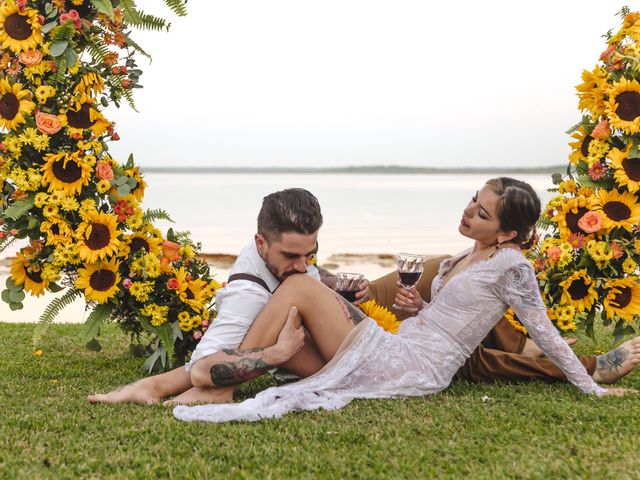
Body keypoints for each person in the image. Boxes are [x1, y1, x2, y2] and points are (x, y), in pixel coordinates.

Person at [173, 178, 638, 423]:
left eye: (481, 212)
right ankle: (222, 378)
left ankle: (222, 381)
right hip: (405, 340)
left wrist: (591, 385)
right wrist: (419, 308)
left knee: (297, 288)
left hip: (419, 365)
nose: (468, 212)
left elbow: (546, 333)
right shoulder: (468, 253)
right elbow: (448, 316)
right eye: (471, 200)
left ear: (509, 232)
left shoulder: (513, 267)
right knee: (300, 304)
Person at [88, 188, 367, 405]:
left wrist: (330, 285)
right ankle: (163, 387)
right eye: (292, 256)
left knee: (402, 284)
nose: (303, 265)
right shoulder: (248, 294)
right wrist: (277, 352)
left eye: (310, 253)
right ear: (261, 242)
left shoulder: (278, 251)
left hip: (359, 336)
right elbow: (200, 371)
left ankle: (150, 386)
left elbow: (309, 270)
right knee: (296, 289)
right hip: (353, 362)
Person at [368, 259, 640, 385]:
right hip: (354, 319)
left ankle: (522, 345)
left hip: (361, 297)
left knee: (463, 276)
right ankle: (589, 369)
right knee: (459, 355)